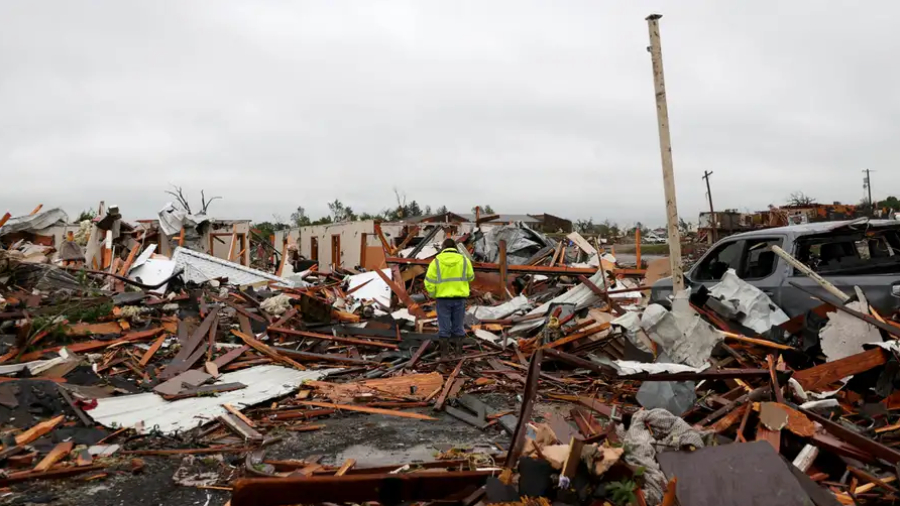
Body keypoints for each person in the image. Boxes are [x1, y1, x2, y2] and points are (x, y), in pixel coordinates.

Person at [424, 238, 475, 357]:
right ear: (455, 248)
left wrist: (433, 294)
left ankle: (445, 355)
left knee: (444, 327)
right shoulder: (464, 260)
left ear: (443, 248)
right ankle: (458, 354)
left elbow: (429, 282)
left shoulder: (436, 261)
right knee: (458, 326)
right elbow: (471, 277)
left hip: (443, 299)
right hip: (459, 298)